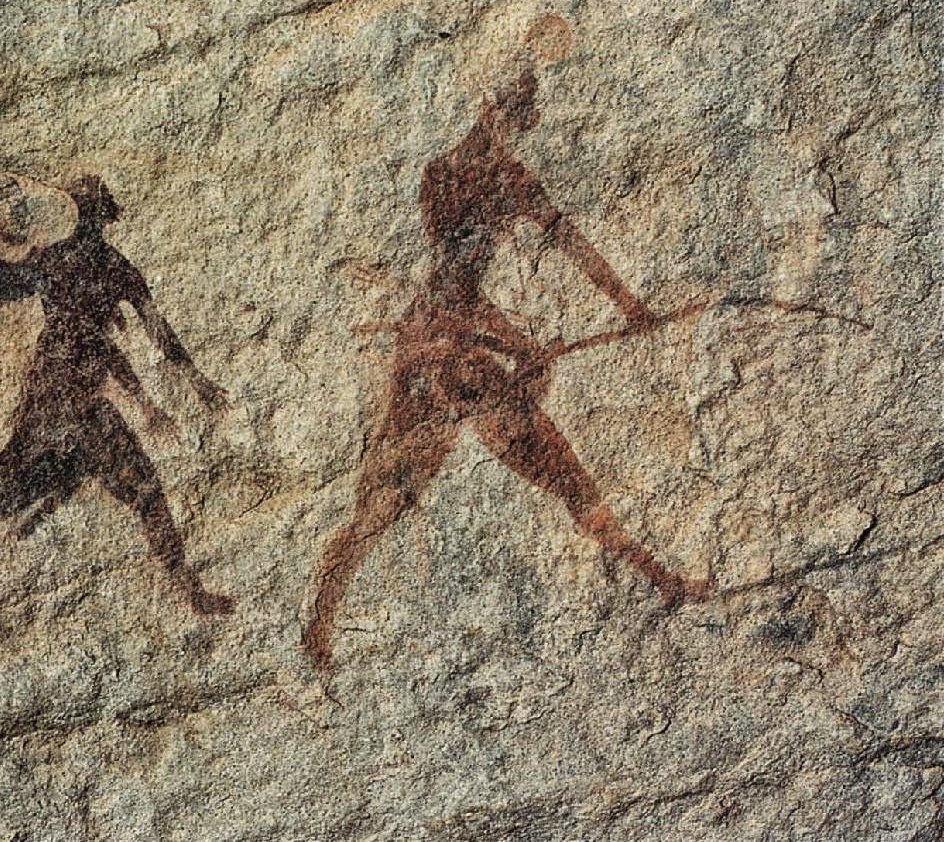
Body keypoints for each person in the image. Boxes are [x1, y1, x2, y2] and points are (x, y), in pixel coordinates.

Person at [303, 71, 708, 676]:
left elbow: (454, 285)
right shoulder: (503, 179)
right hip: (456, 359)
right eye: (520, 113)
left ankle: (321, 617)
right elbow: (566, 248)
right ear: (509, 113)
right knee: (562, 477)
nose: (515, 125)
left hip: (425, 349)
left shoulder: (439, 174)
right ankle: (662, 580)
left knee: (389, 498)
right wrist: (629, 310)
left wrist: (522, 345)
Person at [0, 174, 233, 615]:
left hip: (78, 400)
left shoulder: (93, 265)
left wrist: (195, 384)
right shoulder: (78, 262)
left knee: (129, 490)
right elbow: (0, 280)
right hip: (60, 402)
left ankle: (190, 591)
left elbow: (152, 331)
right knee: (2, 499)